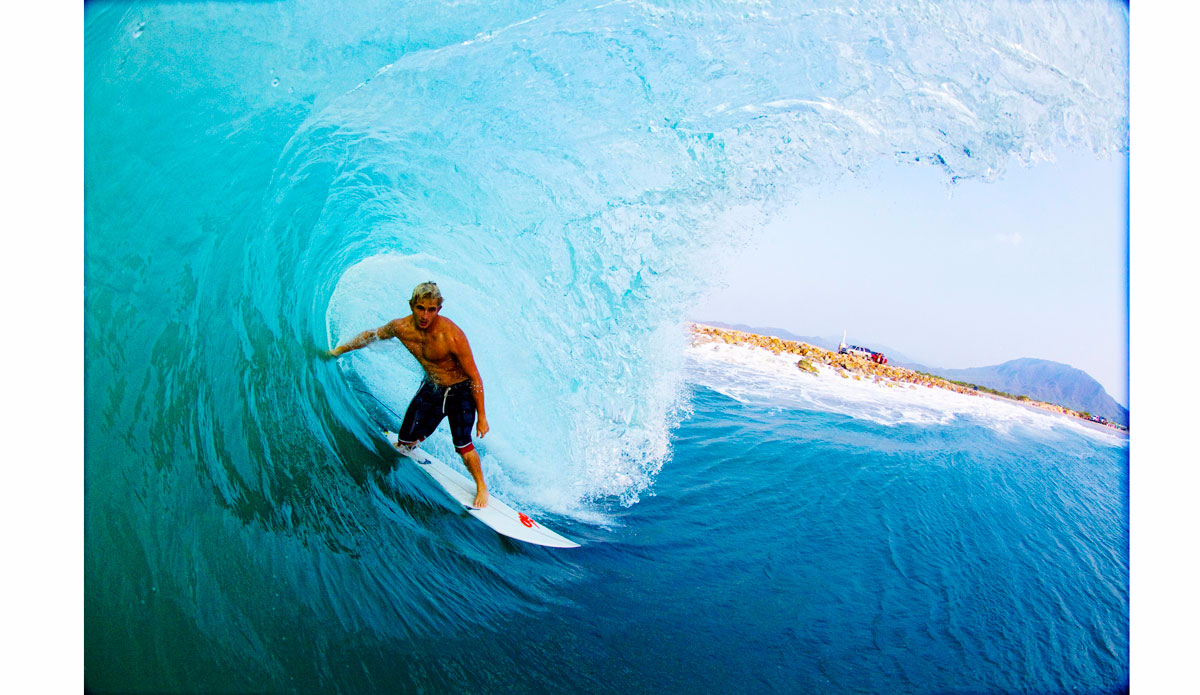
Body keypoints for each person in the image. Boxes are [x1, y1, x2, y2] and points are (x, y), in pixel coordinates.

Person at [330, 281, 491, 508]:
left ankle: (481, 487)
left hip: (460, 394)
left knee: (463, 446)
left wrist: (482, 417)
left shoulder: (452, 336)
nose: (425, 315)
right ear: (412, 305)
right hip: (432, 388)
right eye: (420, 308)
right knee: (403, 442)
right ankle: (415, 441)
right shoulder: (400, 328)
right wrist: (339, 350)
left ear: (439, 309)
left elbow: (475, 377)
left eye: (431, 309)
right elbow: (371, 336)